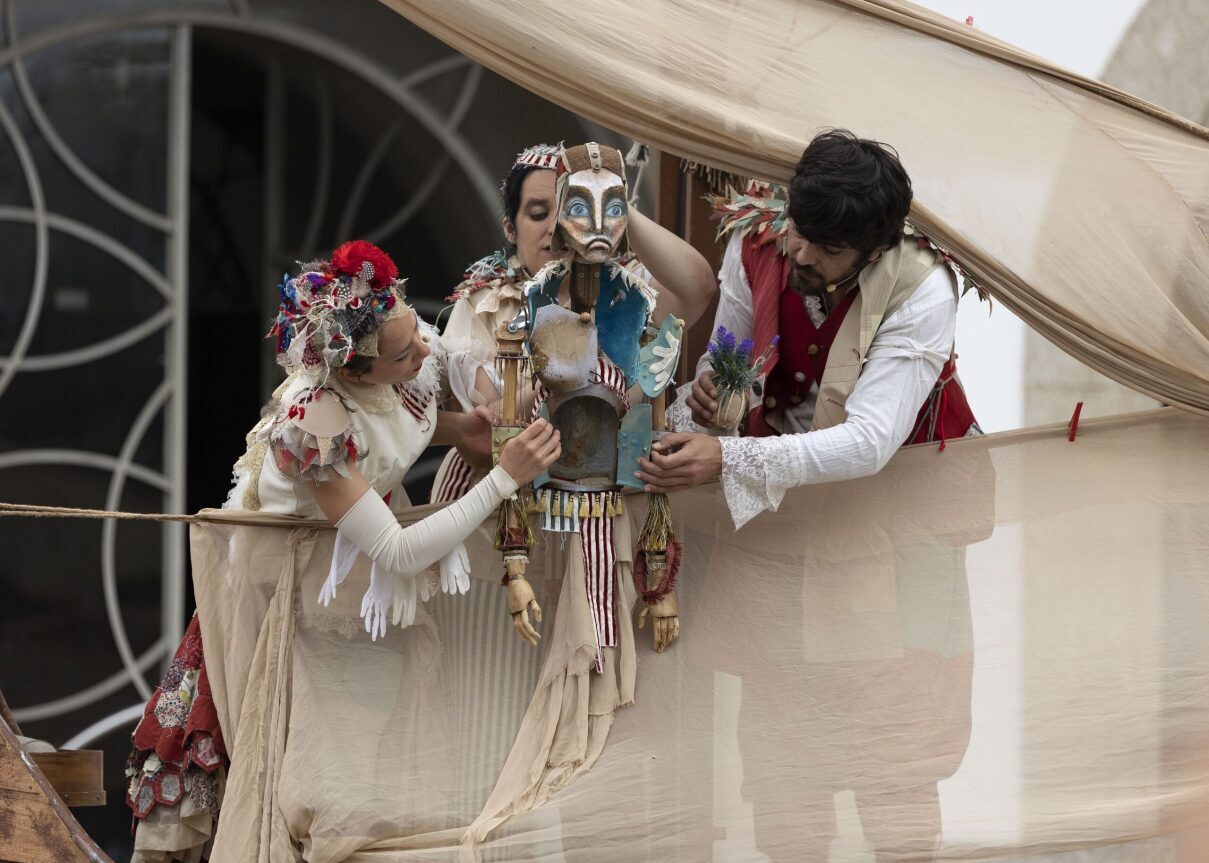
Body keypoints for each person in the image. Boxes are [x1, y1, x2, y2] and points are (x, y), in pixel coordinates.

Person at [124, 240, 560, 862]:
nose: (424, 351)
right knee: (315, 785)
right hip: (290, 609)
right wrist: (504, 478)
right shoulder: (312, 424)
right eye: (404, 352)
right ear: (351, 370)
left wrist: (460, 428)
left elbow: (393, 416)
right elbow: (398, 552)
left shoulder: (397, 355)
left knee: (372, 772)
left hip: (353, 604)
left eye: (416, 331)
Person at [638, 130, 979, 527]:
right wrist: (714, 390)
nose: (800, 254)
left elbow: (870, 442)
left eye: (830, 250)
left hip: (910, 504)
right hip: (785, 501)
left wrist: (728, 457)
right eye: (799, 230)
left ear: (875, 251)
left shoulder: (921, 286)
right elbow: (726, 353)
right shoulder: (758, 238)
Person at [431, 141, 719, 505]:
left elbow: (699, 288)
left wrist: (613, 202)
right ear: (509, 228)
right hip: (505, 507)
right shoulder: (484, 304)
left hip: (608, 504)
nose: (556, 227)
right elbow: (487, 432)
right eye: (538, 214)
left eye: (570, 208)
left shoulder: (628, 295)